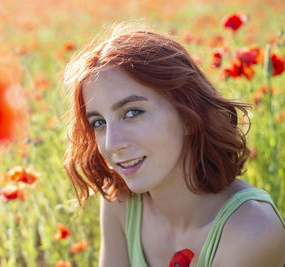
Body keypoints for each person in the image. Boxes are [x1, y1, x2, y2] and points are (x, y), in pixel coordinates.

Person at [62, 23, 285, 267]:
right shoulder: (120, 202)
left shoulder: (252, 231)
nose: (112, 143)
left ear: (189, 115)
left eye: (132, 112)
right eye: (98, 122)